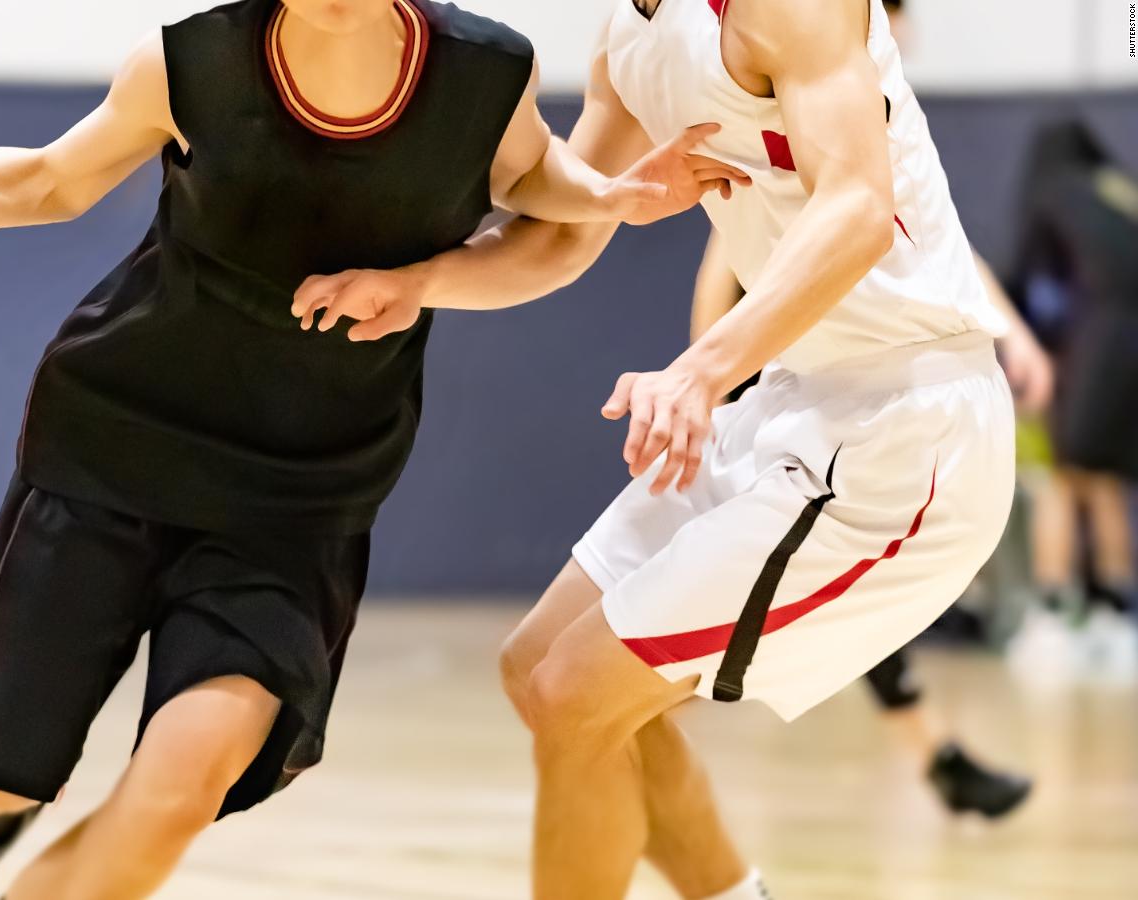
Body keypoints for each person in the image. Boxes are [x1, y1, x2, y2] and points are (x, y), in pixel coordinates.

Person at [0, 2, 748, 898]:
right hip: (114, 451)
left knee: (179, 786)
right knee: (12, 774)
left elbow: (532, 176)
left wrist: (610, 194)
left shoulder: (480, 72)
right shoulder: (195, 58)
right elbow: (45, 182)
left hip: (298, 503)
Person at [294, 0, 1016, 894]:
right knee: (537, 670)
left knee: (576, 697)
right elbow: (565, 230)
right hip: (800, 400)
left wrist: (700, 371)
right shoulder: (630, 38)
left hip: (909, 428)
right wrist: (419, 283)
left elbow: (860, 210)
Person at [683, 2, 1036, 818]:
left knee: (850, 599)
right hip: (789, 400)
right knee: (711, 614)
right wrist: (711, 382)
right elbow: (723, 255)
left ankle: (935, 758)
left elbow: (941, 254)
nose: (898, 35)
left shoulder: (871, 104)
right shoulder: (809, 84)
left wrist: (1013, 333)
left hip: (857, 405)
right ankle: (638, 731)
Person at [1007, 118, 1138, 671]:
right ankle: (1115, 615)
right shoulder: (1120, 189)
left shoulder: (1055, 191)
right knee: (1104, 478)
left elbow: (1027, 282)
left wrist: (1032, 351)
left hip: (1099, 343)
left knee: (1060, 476)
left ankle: (1054, 615)